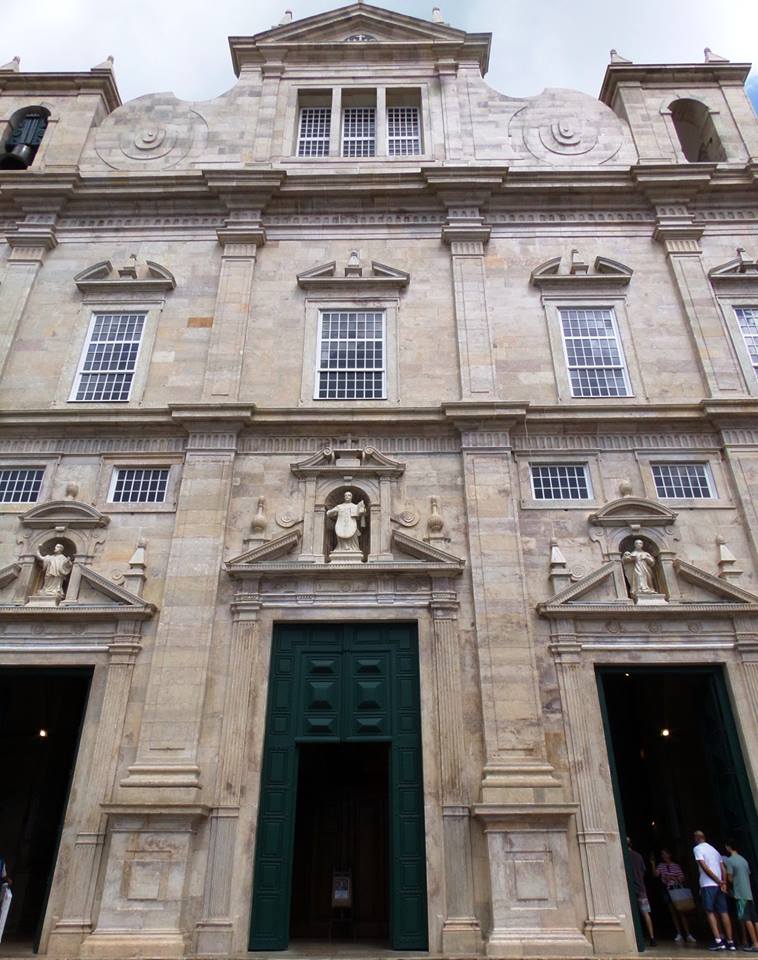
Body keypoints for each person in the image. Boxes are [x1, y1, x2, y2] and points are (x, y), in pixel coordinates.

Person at [693, 830, 736, 951]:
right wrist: (723, 883)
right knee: (723, 912)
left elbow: (704, 866)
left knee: (710, 911)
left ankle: (718, 940)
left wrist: (717, 880)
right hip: (719, 885)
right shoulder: (714, 850)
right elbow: (722, 867)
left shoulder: (697, 849)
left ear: (696, 838)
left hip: (708, 884)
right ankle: (730, 941)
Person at [651, 848, 697, 944]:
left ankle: (688, 934)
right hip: (668, 890)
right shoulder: (661, 866)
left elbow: (682, 878)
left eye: (664, 854)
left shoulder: (676, 866)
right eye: (662, 854)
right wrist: (652, 864)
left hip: (677, 889)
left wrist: (672, 877)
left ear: (669, 855)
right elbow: (655, 875)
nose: (663, 856)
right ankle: (679, 933)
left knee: (681, 912)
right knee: (673, 913)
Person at [723, 841, 758, 952]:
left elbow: (730, 878)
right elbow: (748, 873)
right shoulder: (744, 860)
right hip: (749, 893)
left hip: (739, 894)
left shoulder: (729, 861)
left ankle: (755, 944)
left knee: (746, 919)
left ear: (728, 847)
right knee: (755, 919)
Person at [628, 837, 656, 946]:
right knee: (645, 913)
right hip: (641, 888)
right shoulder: (638, 856)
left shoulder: (624, 855)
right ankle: (652, 937)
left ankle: (633, 938)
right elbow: (643, 871)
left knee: (631, 913)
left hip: (630, 890)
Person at [0, 856, 12, 944]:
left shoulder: (1, 862)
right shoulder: (1, 861)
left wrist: (7, 880)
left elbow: (3, 876)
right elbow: (4, 876)